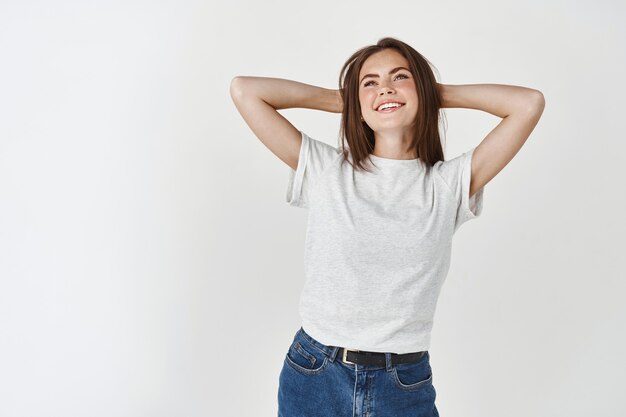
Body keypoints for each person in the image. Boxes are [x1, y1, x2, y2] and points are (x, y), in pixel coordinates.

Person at [229, 37, 545, 417]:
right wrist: (340, 100)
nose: (386, 88)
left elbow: (528, 104)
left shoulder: (447, 185)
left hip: (404, 383)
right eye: (370, 82)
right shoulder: (327, 170)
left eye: (400, 77)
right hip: (315, 373)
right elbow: (245, 90)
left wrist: (430, 92)